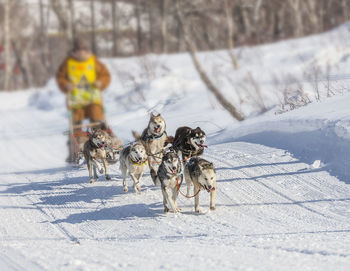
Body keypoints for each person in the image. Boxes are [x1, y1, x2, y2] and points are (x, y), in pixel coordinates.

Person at [56, 37, 111, 162]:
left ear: (87, 51)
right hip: (76, 101)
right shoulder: (68, 63)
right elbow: (60, 78)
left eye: (83, 50)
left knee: (98, 120)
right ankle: (79, 146)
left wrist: (100, 82)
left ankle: (103, 142)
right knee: (76, 124)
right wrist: (66, 85)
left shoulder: (93, 62)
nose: (81, 53)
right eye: (78, 50)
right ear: (74, 51)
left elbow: (105, 75)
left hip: (93, 99)